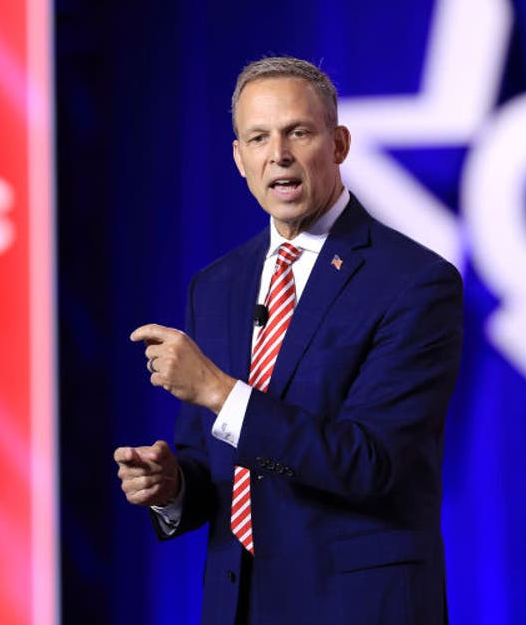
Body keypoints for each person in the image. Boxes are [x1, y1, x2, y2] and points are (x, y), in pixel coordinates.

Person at [113, 56, 463, 624]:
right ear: (240, 159)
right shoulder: (216, 286)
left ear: (339, 144)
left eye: (298, 132)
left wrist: (221, 393)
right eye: (259, 138)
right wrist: (172, 486)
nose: (278, 154)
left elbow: (370, 462)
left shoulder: (414, 283)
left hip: (357, 609)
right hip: (239, 607)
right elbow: (214, 459)